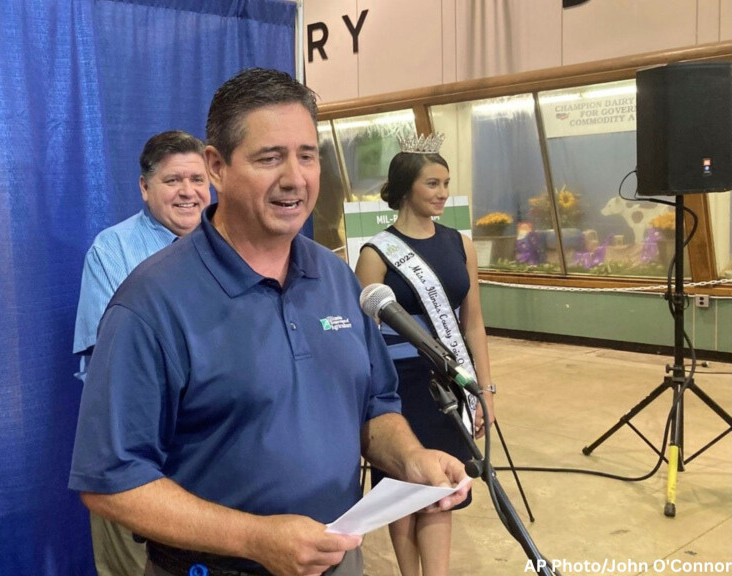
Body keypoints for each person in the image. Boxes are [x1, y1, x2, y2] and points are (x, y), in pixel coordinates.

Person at [69, 68, 470, 576]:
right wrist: (255, 539)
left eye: (307, 155)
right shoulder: (151, 302)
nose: (295, 178)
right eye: (269, 158)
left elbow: (375, 407)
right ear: (217, 166)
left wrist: (411, 459)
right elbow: (110, 480)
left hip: (338, 558)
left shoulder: (335, 277)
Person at [354, 136, 496, 576]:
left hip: (449, 380)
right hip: (400, 386)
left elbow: (473, 324)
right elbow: (362, 338)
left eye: (446, 183)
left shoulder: (460, 244)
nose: (442, 193)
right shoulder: (376, 254)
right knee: (403, 486)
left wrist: (485, 389)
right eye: (432, 183)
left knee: (443, 488)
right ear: (405, 188)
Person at [72, 130, 210, 575]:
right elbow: (111, 367)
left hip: (213, 455)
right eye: (173, 181)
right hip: (140, 460)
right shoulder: (112, 251)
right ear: (145, 187)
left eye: (197, 179)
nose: (188, 191)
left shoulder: (231, 249)